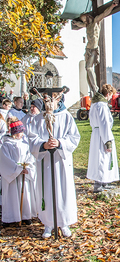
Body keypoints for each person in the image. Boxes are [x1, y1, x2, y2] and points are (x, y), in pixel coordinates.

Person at [28, 90, 80, 238]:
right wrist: (42, 145)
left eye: (51, 99)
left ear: (58, 100)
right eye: (45, 99)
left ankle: (64, 223)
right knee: (47, 190)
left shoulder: (65, 117)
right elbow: (32, 137)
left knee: (63, 191)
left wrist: (60, 143)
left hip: (60, 160)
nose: (48, 102)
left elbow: (74, 136)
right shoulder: (38, 118)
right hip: (45, 161)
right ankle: (48, 223)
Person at [72, 1, 118, 95]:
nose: (84, 21)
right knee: (87, 68)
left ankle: (95, 87)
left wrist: (112, 6)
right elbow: (80, 25)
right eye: (83, 20)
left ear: (88, 17)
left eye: (85, 19)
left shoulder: (96, 21)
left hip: (93, 48)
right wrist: (76, 23)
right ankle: (92, 88)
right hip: (88, 49)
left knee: (89, 67)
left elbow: (104, 14)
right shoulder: (87, 25)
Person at [0, 119, 37, 227]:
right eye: (20, 132)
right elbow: (5, 161)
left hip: (24, 175)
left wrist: (28, 168)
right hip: (12, 176)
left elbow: (31, 157)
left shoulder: (25, 144)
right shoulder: (6, 145)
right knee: (11, 195)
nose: (22, 134)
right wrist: (17, 169)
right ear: (15, 132)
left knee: (25, 194)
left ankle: (25, 216)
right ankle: (10, 218)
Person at [87, 84, 119, 193]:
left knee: (103, 158)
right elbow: (104, 123)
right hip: (102, 134)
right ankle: (99, 183)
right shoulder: (101, 105)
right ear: (108, 94)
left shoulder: (95, 104)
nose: (111, 98)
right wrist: (108, 141)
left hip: (97, 133)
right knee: (101, 158)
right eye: (111, 95)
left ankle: (104, 181)